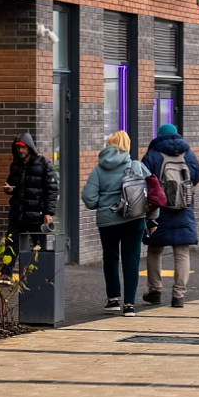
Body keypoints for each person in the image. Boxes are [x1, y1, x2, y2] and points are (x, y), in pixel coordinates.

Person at [82, 131, 147, 317]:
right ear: (127, 145)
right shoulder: (136, 166)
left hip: (108, 220)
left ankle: (113, 299)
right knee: (131, 259)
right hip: (134, 218)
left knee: (110, 258)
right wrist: (153, 218)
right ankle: (129, 305)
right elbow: (152, 191)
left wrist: (103, 203)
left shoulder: (99, 170)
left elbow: (89, 198)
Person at [141, 124, 199, 308]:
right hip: (184, 209)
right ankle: (178, 296)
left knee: (154, 250)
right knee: (182, 253)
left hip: (159, 210)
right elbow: (196, 177)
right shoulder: (189, 154)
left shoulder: (152, 155)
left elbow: (143, 180)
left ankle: (155, 291)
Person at [0, 133, 58, 286]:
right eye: (17, 148)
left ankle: (41, 277)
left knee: (39, 248)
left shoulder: (43, 164)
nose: (20, 151)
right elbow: (13, 185)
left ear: (29, 147)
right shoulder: (15, 165)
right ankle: (6, 274)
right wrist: (9, 189)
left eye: (22, 147)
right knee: (11, 244)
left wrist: (48, 212)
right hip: (18, 214)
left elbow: (51, 190)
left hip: (37, 214)